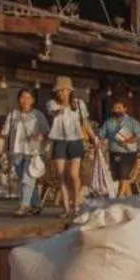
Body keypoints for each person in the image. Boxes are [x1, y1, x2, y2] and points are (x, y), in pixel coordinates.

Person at [43, 77, 92, 215]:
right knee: (60, 175)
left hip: (76, 140)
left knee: (73, 174)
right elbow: (54, 112)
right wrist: (63, 107)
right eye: (59, 90)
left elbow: (85, 122)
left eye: (64, 90)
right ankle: (66, 208)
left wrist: (94, 138)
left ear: (70, 91)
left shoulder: (79, 103)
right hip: (59, 140)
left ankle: (76, 204)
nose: (61, 93)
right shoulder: (51, 103)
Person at [1, 89, 49, 215]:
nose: (25, 100)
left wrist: (39, 136)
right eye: (23, 97)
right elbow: (6, 134)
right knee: (23, 177)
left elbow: (46, 132)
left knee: (27, 178)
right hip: (16, 150)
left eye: (28, 98)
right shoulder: (13, 115)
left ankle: (24, 206)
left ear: (33, 100)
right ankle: (37, 204)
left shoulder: (38, 115)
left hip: (33, 152)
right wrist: (4, 150)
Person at [99, 95, 140, 194]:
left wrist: (128, 140)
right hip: (114, 153)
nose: (117, 110)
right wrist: (101, 142)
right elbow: (102, 135)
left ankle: (119, 198)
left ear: (125, 109)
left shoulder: (132, 122)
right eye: (115, 108)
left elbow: (139, 135)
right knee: (120, 177)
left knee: (124, 176)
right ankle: (128, 199)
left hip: (128, 153)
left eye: (119, 108)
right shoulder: (108, 122)